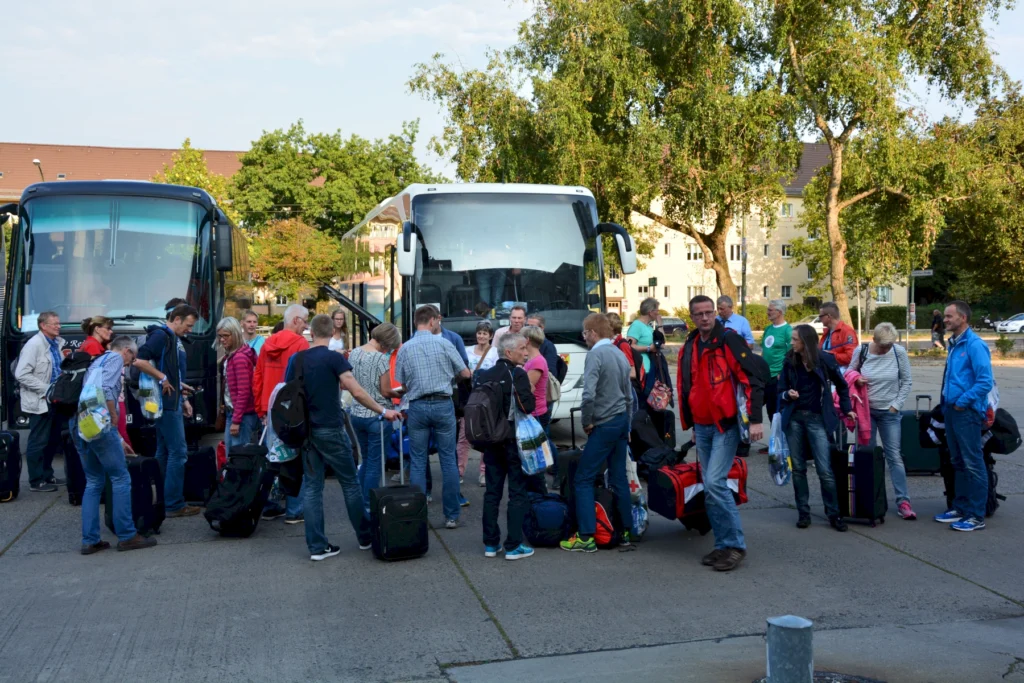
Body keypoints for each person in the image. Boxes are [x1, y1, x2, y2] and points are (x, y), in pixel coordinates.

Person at [287, 314, 402, 561]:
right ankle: (364, 536)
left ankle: (317, 547)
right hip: (330, 428)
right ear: (331, 333)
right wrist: (384, 410)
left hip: (304, 430)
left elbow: (286, 393)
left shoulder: (297, 359)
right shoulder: (334, 358)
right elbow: (356, 391)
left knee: (312, 487)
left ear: (311, 332)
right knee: (350, 483)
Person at [676, 295, 764, 572]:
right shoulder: (690, 344)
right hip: (702, 426)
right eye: (698, 314)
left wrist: (756, 420)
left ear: (716, 313)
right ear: (691, 317)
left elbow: (753, 379)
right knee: (710, 484)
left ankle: (735, 545)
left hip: (725, 424)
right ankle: (723, 544)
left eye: (708, 312)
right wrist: (690, 424)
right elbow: (688, 385)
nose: (704, 318)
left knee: (714, 482)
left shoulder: (728, 339)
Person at [72, 336, 157, 554]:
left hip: (82, 423)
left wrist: (119, 440)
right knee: (120, 477)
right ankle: (127, 535)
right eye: (132, 357)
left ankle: (89, 540)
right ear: (127, 350)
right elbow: (108, 389)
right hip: (100, 424)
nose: (130, 363)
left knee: (93, 481)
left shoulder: (96, 361)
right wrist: (112, 421)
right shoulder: (114, 359)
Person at [560, 313, 634, 553]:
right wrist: (628, 426)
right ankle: (625, 531)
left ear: (592, 333)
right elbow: (629, 396)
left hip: (604, 422)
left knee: (583, 478)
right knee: (618, 477)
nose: (584, 337)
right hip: (621, 420)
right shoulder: (619, 353)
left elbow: (589, 394)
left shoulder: (596, 355)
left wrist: (587, 420)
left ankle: (586, 536)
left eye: (584, 333)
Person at [394, 305, 472, 529]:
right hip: (442, 404)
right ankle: (451, 515)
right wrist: (449, 379)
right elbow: (465, 373)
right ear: (431, 321)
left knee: (418, 460)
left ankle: (418, 513)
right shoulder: (444, 343)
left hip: (417, 406)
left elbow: (403, 382)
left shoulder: (406, 348)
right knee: (448, 459)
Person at [778, 324, 856, 532]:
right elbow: (780, 390)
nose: (792, 342)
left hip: (817, 419)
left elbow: (842, 385)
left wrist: (847, 408)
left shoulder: (825, 360)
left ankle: (834, 513)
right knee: (798, 469)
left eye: (795, 339)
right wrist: (787, 395)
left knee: (825, 470)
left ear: (806, 341)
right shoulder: (789, 360)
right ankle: (803, 512)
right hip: (794, 419)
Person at [133, 304, 200, 518]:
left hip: (165, 402)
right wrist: (163, 378)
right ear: (177, 319)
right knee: (178, 453)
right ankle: (174, 503)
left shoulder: (167, 337)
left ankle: (161, 499)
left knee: (163, 452)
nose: (189, 330)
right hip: (166, 404)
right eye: (188, 325)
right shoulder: (162, 336)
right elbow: (140, 361)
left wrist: (180, 387)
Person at [934, 301, 994, 532]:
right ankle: (960, 507)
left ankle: (976, 515)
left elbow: (985, 381)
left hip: (965, 412)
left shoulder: (975, 345)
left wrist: (961, 402)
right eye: (945, 317)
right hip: (951, 410)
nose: (945, 320)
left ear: (963, 318)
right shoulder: (954, 343)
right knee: (957, 461)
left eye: (949, 316)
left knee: (973, 462)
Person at [477, 332, 537, 559]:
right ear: (509, 352)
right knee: (517, 492)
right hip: (513, 440)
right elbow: (527, 406)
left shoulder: (485, 374)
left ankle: (491, 544)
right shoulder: (517, 374)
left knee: (492, 492)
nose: (525, 352)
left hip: (491, 441)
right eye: (522, 348)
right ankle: (513, 545)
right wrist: (528, 392)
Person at [851, 322, 916, 520]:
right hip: (866, 411)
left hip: (889, 411)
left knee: (894, 455)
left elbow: (906, 381)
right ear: (874, 340)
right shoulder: (861, 351)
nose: (885, 350)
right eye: (882, 346)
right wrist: (856, 379)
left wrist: (896, 405)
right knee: (866, 455)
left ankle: (903, 501)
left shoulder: (898, 353)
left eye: (889, 346)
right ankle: (868, 498)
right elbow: (848, 373)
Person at [253, 304, 311, 523]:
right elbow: (302, 381)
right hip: (290, 411)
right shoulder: (300, 344)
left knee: (271, 460)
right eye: (305, 321)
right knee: (294, 459)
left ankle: (270, 505)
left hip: (269, 409)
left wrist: (260, 408)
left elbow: (257, 377)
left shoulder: (267, 343)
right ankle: (295, 510)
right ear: (296, 320)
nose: (306, 326)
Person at [348, 322, 403, 515]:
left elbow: (349, 384)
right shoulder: (380, 358)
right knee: (375, 464)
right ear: (386, 343)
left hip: (357, 414)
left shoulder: (354, 353)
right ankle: (368, 505)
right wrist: (403, 389)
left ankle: (359, 501)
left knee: (365, 460)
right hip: (377, 415)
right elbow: (386, 390)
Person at [15, 311, 67, 492]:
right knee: (38, 441)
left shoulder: (56, 344)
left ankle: (48, 475)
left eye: (59, 323)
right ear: (43, 326)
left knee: (52, 440)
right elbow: (21, 374)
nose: (59, 326)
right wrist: (46, 388)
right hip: (40, 400)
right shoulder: (34, 345)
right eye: (55, 323)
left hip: (55, 400)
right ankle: (36, 481)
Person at [81, 316, 131, 448]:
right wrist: (112, 414)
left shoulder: (94, 345)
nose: (111, 332)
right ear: (97, 329)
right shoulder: (93, 346)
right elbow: (101, 383)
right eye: (108, 328)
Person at [216, 317, 259, 455]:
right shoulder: (234, 354)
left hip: (241, 416)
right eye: (220, 336)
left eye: (225, 336)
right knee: (233, 455)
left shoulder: (239, 358)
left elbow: (244, 392)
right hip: (236, 414)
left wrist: (236, 420)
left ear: (235, 334)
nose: (222, 339)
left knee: (238, 458)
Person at [522, 325, 558, 481]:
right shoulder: (532, 360)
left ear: (527, 340)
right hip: (536, 410)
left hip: (536, 411)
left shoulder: (536, 362)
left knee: (543, 445)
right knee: (544, 443)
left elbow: (526, 388)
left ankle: (557, 470)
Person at [759, 300, 793, 453]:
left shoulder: (787, 331)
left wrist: (782, 373)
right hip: (763, 376)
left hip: (777, 377)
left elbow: (791, 354)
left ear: (779, 312)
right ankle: (771, 442)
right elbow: (764, 351)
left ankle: (777, 444)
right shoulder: (768, 329)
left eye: (770, 310)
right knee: (758, 408)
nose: (768, 312)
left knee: (775, 411)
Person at [467, 321, 498, 487]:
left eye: (485, 333)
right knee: (464, 437)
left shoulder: (495, 353)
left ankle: (483, 473)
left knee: (486, 436)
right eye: (479, 332)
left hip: (487, 400)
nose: (481, 336)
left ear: (491, 336)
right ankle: (458, 471)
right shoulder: (467, 351)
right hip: (470, 399)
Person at [818, 302, 859, 372]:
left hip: (841, 374)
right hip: (828, 371)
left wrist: (830, 356)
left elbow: (851, 357)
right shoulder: (827, 331)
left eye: (821, 316)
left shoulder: (847, 331)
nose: (819, 319)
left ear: (828, 316)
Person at [626, 298, 660, 376]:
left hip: (650, 367)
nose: (658, 313)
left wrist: (660, 324)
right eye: (657, 311)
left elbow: (662, 341)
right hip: (642, 369)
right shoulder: (637, 325)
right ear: (650, 312)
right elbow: (629, 346)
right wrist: (649, 348)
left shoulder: (648, 327)